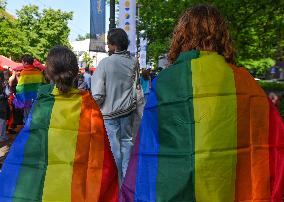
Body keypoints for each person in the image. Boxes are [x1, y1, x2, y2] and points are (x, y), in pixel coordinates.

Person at [120, 5, 284, 202]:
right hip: (228, 189)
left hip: (174, 191)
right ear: (222, 37)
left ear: (181, 36)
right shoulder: (245, 83)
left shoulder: (165, 82)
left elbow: (148, 149)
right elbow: (271, 143)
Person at [0, 46, 118, 201]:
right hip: (76, 187)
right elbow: (99, 151)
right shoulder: (88, 104)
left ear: (48, 73)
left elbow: (28, 148)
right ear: (76, 72)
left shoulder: (42, 103)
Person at [91, 28, 137, 185]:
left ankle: (116, 185)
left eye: (109, 43)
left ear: (114, 44)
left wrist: (93, 108)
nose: (107, 47)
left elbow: (98, 94)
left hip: (110, 114)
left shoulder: (105, 63)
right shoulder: (133, 62)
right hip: (128, 111)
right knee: (127, 145)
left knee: (114, 151)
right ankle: (127, 183)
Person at [14, 54, 45, 123]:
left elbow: (20, 88)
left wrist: (19, 100)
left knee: (27, 119)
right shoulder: (39, 73)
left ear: (26, 62)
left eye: (22, 62)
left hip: (27, 101)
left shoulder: (24, 73)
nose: (22, 63)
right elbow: (43, 85)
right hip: (37, 100)